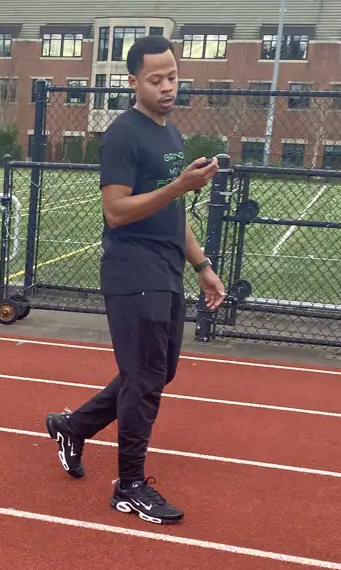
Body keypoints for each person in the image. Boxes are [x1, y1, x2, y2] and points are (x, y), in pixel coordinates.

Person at [44, 35, 225, 526]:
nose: (167, 87)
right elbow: (115, 210)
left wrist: (203, 266)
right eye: (156, 79)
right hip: (133, 271)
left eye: (173, 76)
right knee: (145, 377)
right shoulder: (123, 134)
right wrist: (178, 186)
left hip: (167, 270)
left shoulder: (172, 134)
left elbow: (175, 208)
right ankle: (129, 485)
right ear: (133, 82)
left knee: (156, 372)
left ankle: (73, 426)